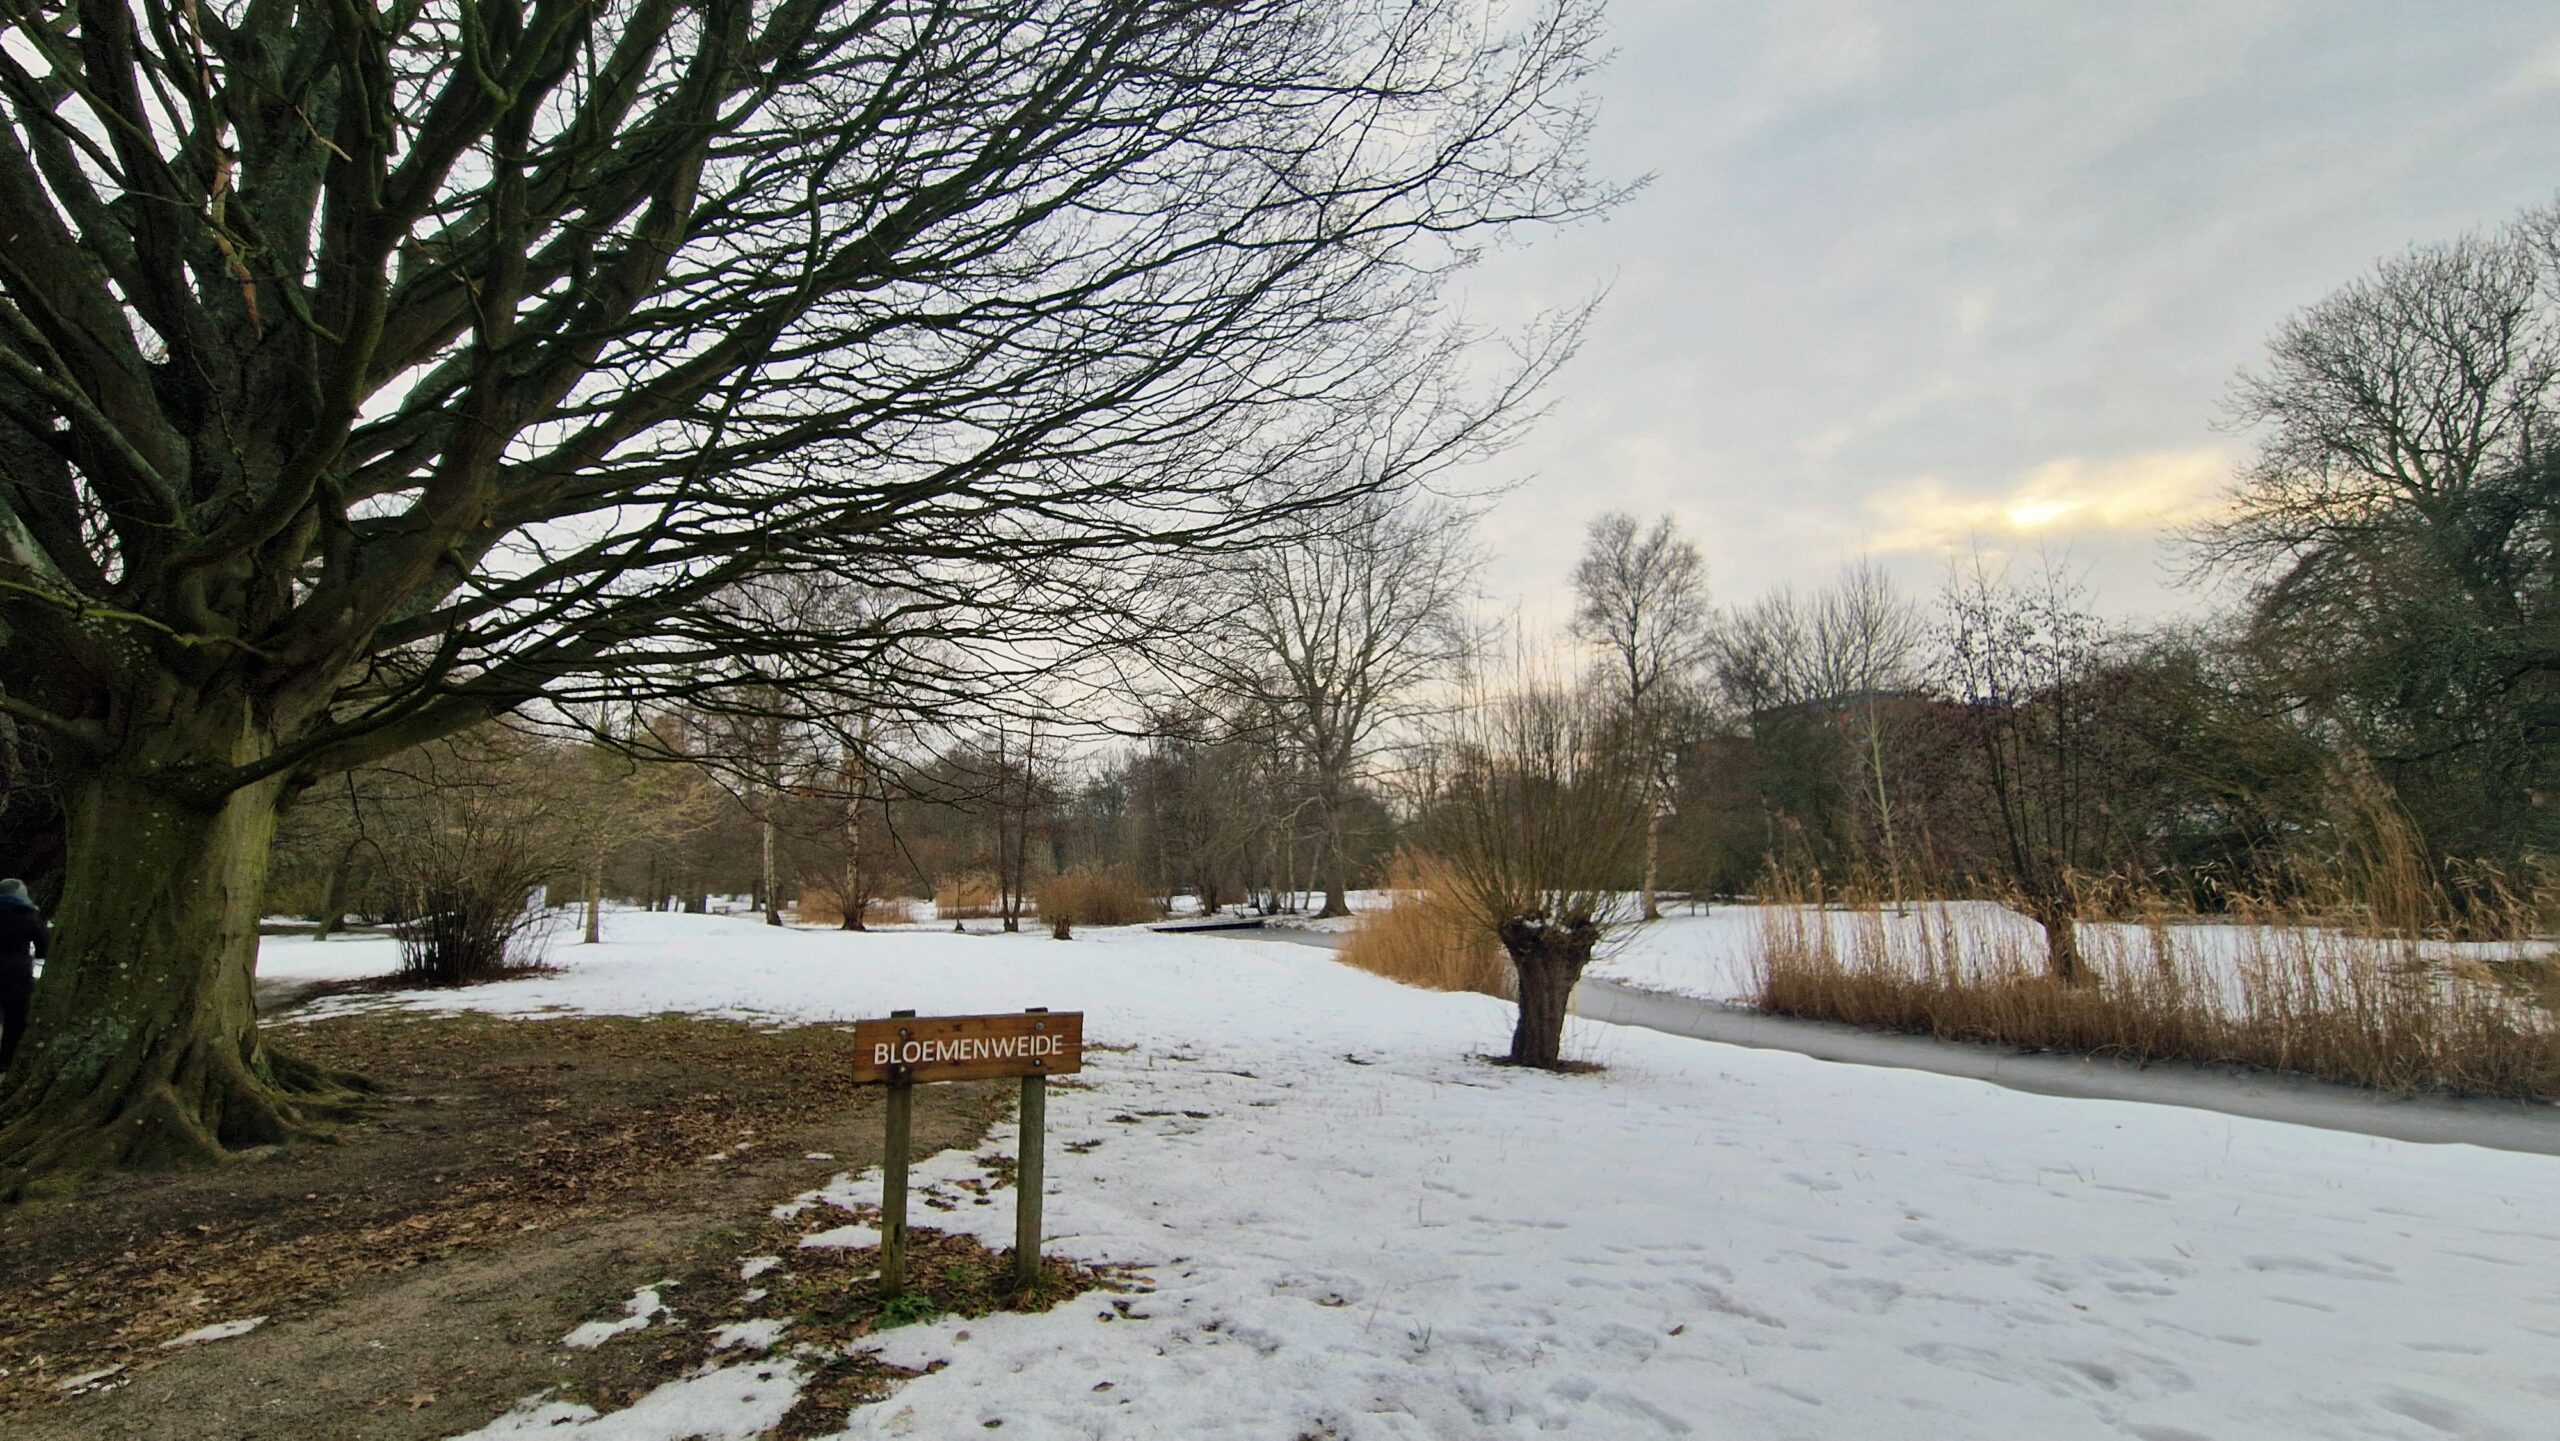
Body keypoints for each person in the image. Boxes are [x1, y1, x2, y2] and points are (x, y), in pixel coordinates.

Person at [0, 877, 45, 1072]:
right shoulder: (27, 914)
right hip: (16, 972)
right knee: (15, 1018)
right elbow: (44, 946)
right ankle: (5, 1062)